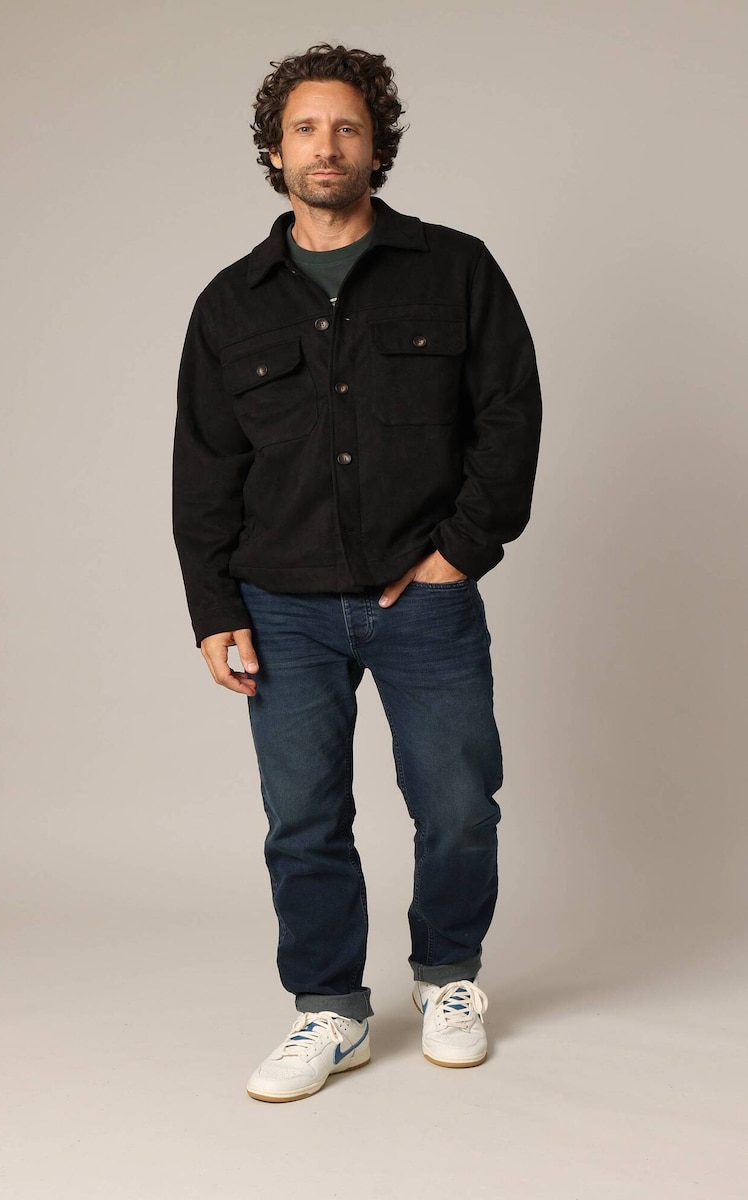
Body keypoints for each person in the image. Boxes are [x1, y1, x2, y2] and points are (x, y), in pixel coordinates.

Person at [173, 43, 541, 1103]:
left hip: (424, 600)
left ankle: (448, 978)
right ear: (275, 151)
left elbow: (511, 415)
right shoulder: (231, 303)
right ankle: (330, 1010)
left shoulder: (456, 269)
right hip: (280, 606)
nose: (325, 145)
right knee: (303, 820)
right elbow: (205, 468)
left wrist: (458, 553)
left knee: (460, 804)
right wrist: (214, 609)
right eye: (304, 128)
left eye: (346, 126)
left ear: (377, 145)